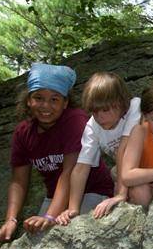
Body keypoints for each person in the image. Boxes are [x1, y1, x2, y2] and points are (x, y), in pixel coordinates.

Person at [0, 63, 114, 249]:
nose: (46, 106)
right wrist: (11, 220)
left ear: (65, 102)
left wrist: (50, 217)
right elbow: (18, 181)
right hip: (55, 196)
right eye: (38, 98)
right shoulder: (23, 133)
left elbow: (69, 172)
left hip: (91, 191)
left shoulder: (75, 121)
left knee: (68, 244)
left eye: (54, 99)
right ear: (29, 100)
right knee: (36, 245)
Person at [57, 72, 142, 225]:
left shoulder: (135, 106)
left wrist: (120, 194)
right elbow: (81, 168)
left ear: (122, 102)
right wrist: (73, 208)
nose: (99, 117)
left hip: (150, 163)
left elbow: (125, 148)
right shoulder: (93, 126)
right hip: (125, 172)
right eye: (94, 111)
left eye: (105, 110)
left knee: (137, 195)